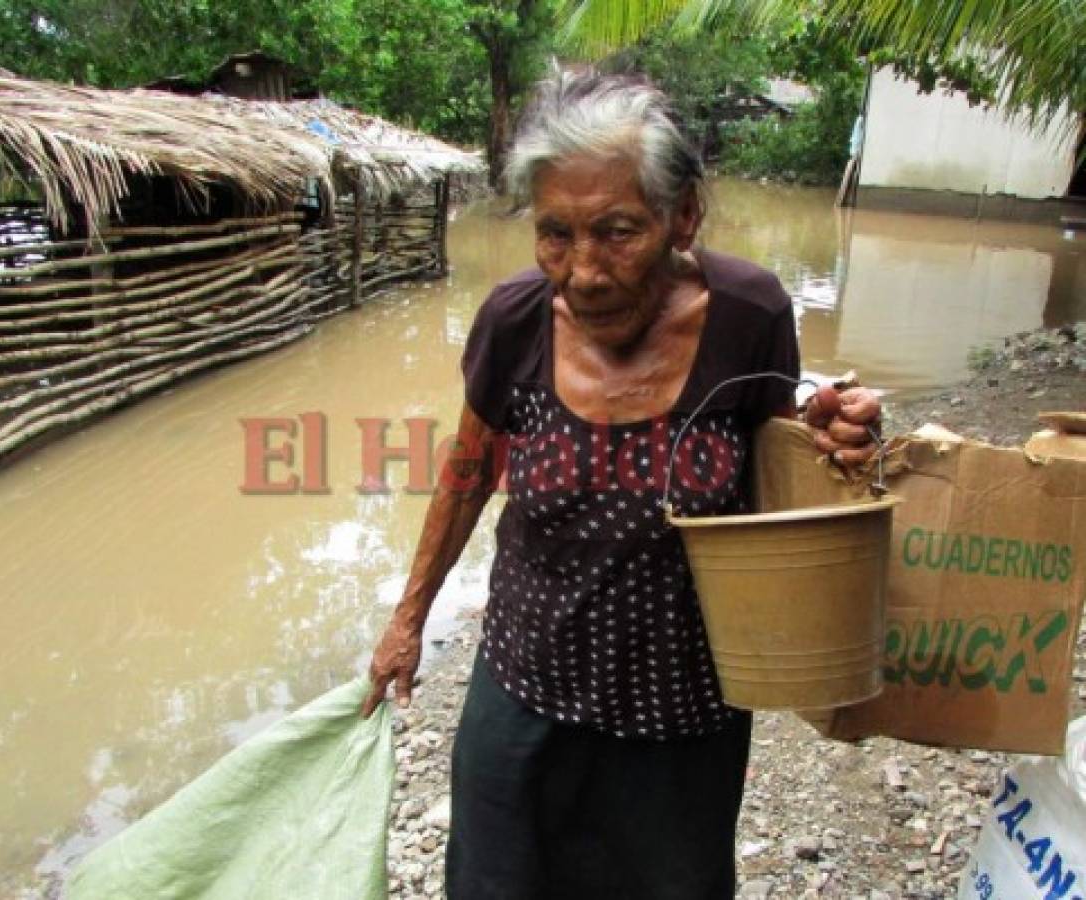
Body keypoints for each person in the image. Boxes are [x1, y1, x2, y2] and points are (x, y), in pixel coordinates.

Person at [361, 68, 880, 899]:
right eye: (554, 234)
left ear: (683, 217)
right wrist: (406, 618)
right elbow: (466, 475)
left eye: (617, 231)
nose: (584, 272)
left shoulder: (748, 315)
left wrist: (832, 441)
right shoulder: (514, 321)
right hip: (527, 677)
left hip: (683, 697)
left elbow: (774, 477)